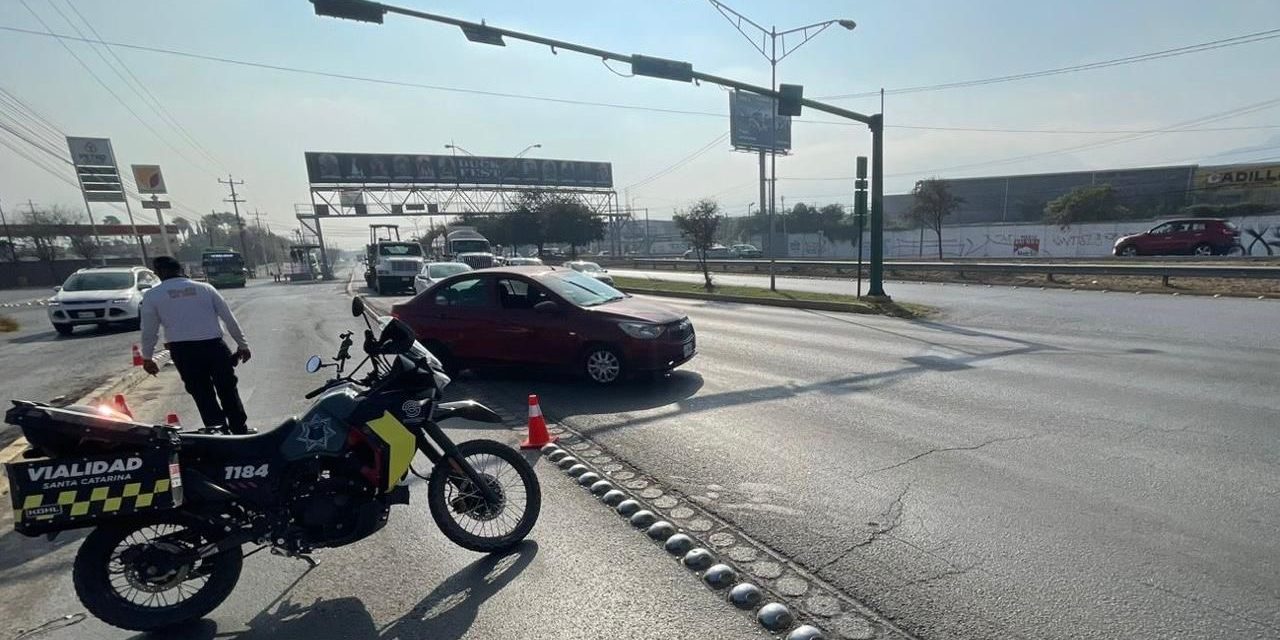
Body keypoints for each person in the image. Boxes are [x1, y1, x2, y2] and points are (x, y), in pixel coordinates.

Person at [140, 256, 252, 434]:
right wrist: (242, 345)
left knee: (202, 394)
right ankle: (240, 430)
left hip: (184, 352)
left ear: (160, 272)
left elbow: (149, 331)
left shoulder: (153, 295)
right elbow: (229, 319)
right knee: (228, 389)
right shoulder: (205, 289)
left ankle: (219, 433)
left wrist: (147, 357)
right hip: (214, 347)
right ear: (180, 269)